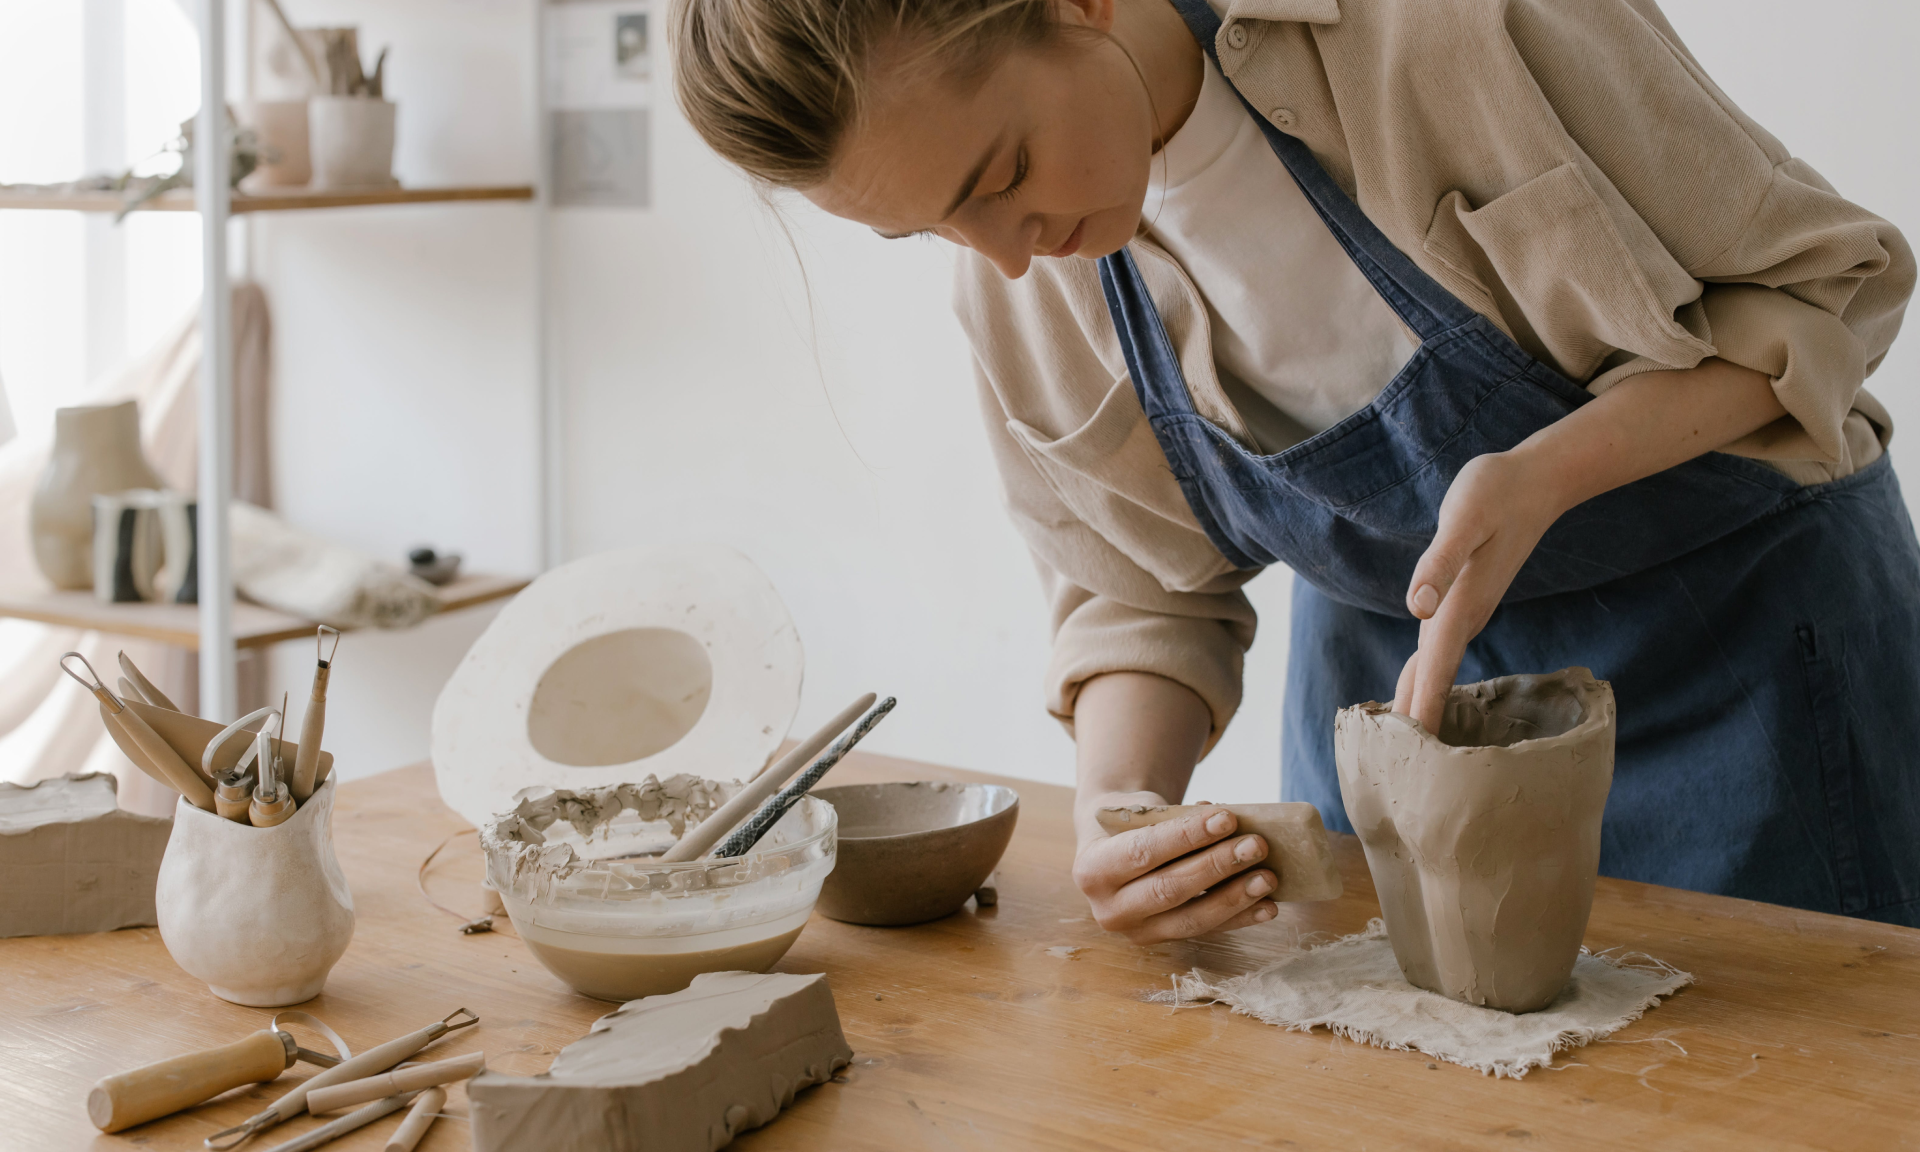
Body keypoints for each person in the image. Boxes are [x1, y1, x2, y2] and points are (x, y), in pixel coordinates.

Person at [673, 0, 1920, 936]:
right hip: (1391, 716)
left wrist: (1554, 466)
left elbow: (1825, 292)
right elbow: (1140, 595)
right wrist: (1121, 809)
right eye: (929, 227)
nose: (1003, 255)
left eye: (998, 177)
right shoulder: (1017, 286)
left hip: (1748, 677)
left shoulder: (1449, 32)